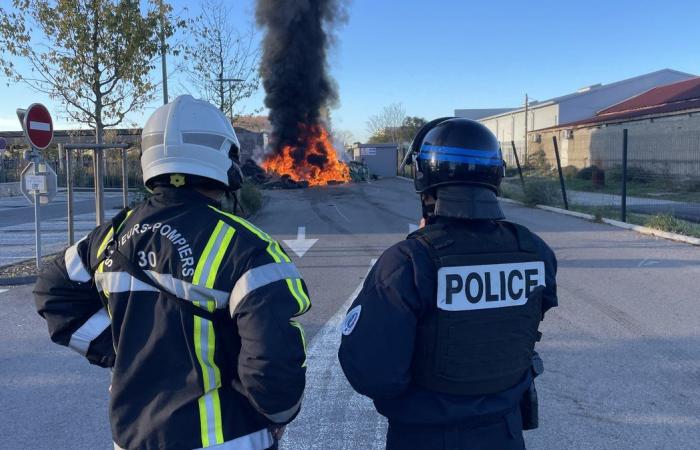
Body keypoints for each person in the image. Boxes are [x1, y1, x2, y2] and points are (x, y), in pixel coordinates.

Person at [34, 95, 310, 450]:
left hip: (134, 441)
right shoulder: (249, 248)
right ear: (224, 158)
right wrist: (276, 415)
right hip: (231, 440)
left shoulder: (110, 237)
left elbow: (53, 292)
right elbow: (274, 363)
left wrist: (120, 352)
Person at [338, 117, 557, 450]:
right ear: (495, 174)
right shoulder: (536, 251)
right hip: (506, 435)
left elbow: (373, 373)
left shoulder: (409, 262)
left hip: (426, 438)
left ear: (424, 178)